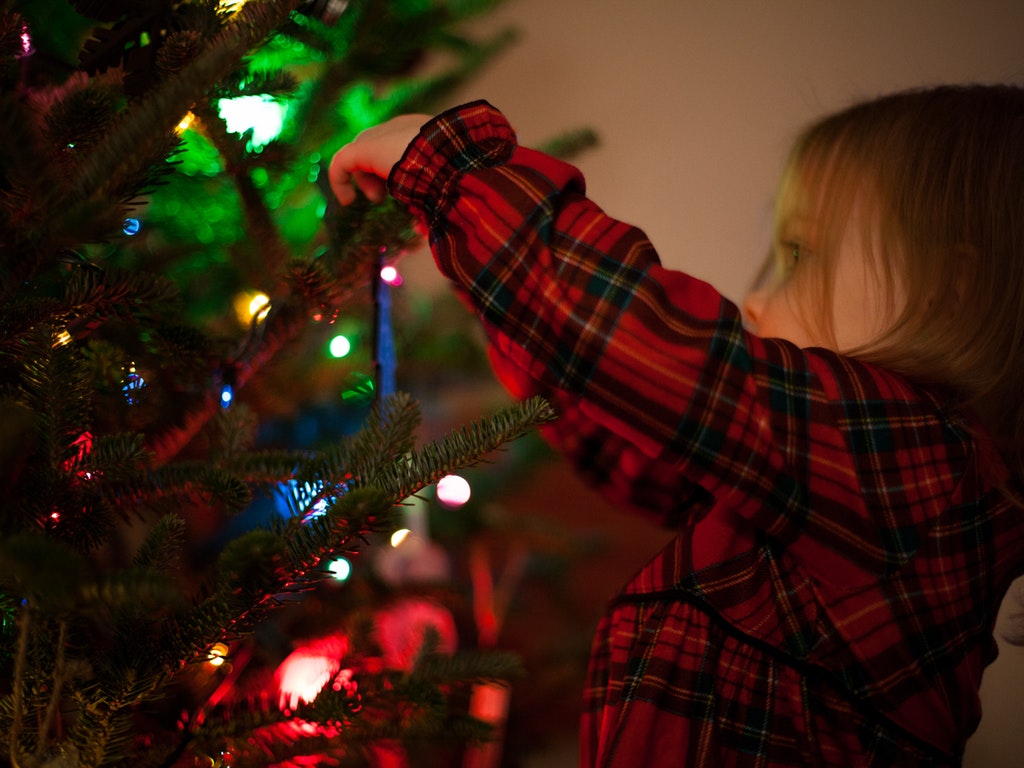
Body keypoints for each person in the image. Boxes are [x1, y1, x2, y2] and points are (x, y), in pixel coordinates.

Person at [328, 86, 1024, 767]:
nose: (754, 299)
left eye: (801, 256)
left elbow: (647, 348)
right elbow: (627, 435)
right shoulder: (821, 500)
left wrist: (453, 177)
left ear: (946, 290)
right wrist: (479, 259)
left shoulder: (919, 471)